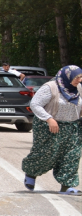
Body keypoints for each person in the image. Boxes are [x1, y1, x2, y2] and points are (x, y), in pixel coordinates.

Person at [22, 66, 82, 195]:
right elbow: (35, 104)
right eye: (77, 77)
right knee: (46, 154)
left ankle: (67, 186)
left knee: (72, 156)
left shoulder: (78, 88)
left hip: (72, 127)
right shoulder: (50, 87)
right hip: (49, 126)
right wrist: (49, 119)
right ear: (68, 76)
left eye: (80, 77)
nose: (79, 80)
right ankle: (31, 173)